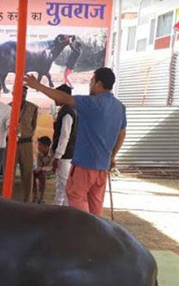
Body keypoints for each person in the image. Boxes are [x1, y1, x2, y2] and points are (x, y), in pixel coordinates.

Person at [24, 67, 126, 216]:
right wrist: (112, 156)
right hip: (102, 167)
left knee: (75, 196)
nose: (90, 85)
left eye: (91, 81)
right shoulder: (120, 107)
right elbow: (122, 134)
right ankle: (95, 232)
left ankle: (83, 229)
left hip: (85, 164)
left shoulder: (91, 103)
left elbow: (64, 98)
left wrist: (37, 86)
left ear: (98, 83)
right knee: (95, 204)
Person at [9, 86, 38, 202]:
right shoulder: (7, 108)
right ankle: (8, 198)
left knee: (27, 172)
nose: (23, 95)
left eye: (25, 93)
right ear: (13, 93)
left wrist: (26, 134)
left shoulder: (33, 108)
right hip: (10, 143)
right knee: (9, 172)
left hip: (26, 143)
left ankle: (27, 200)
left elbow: (33, 125)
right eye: (20, 93)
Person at [51, 84, 78, 206]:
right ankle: (58, 208)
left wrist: (57, 156)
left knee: (65, 186)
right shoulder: (67, 110)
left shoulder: (68, 113)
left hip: (65, 156)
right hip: (65, 155)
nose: (54, 98)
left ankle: (66, 212)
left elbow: (64, 137)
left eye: (56, 95)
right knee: (61, 185)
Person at [33, 136, 53, 204]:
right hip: (43, 170)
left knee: (42, 175)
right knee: (33, 174)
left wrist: (41, 169)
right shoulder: (39, 154)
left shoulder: (53, 154)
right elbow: (39, 165)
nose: (38, 146)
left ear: (46, 146)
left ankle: (41, 197)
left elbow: (51, 167)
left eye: (40, 145)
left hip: (51, 172)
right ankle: (34, 195)